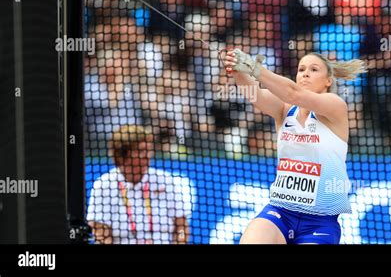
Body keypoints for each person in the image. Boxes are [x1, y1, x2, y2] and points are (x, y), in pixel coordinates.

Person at [222, 48, 366, 244]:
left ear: (328, 81)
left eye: (314, 69)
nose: (305, 73)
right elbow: (253, 93)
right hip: (281, 211)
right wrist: (237, 69)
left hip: (320, 221)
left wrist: (255, 68)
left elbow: (293, 94)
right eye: (301, 69)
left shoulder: (335, 105)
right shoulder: (284, 109)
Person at [87, 124, 191, 244]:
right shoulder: (104, 185)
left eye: (149, 150)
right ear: (122, 155)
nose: (148, 156)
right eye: (141, 151)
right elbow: (101, 234)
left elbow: (182, 227)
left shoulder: (165, 181)